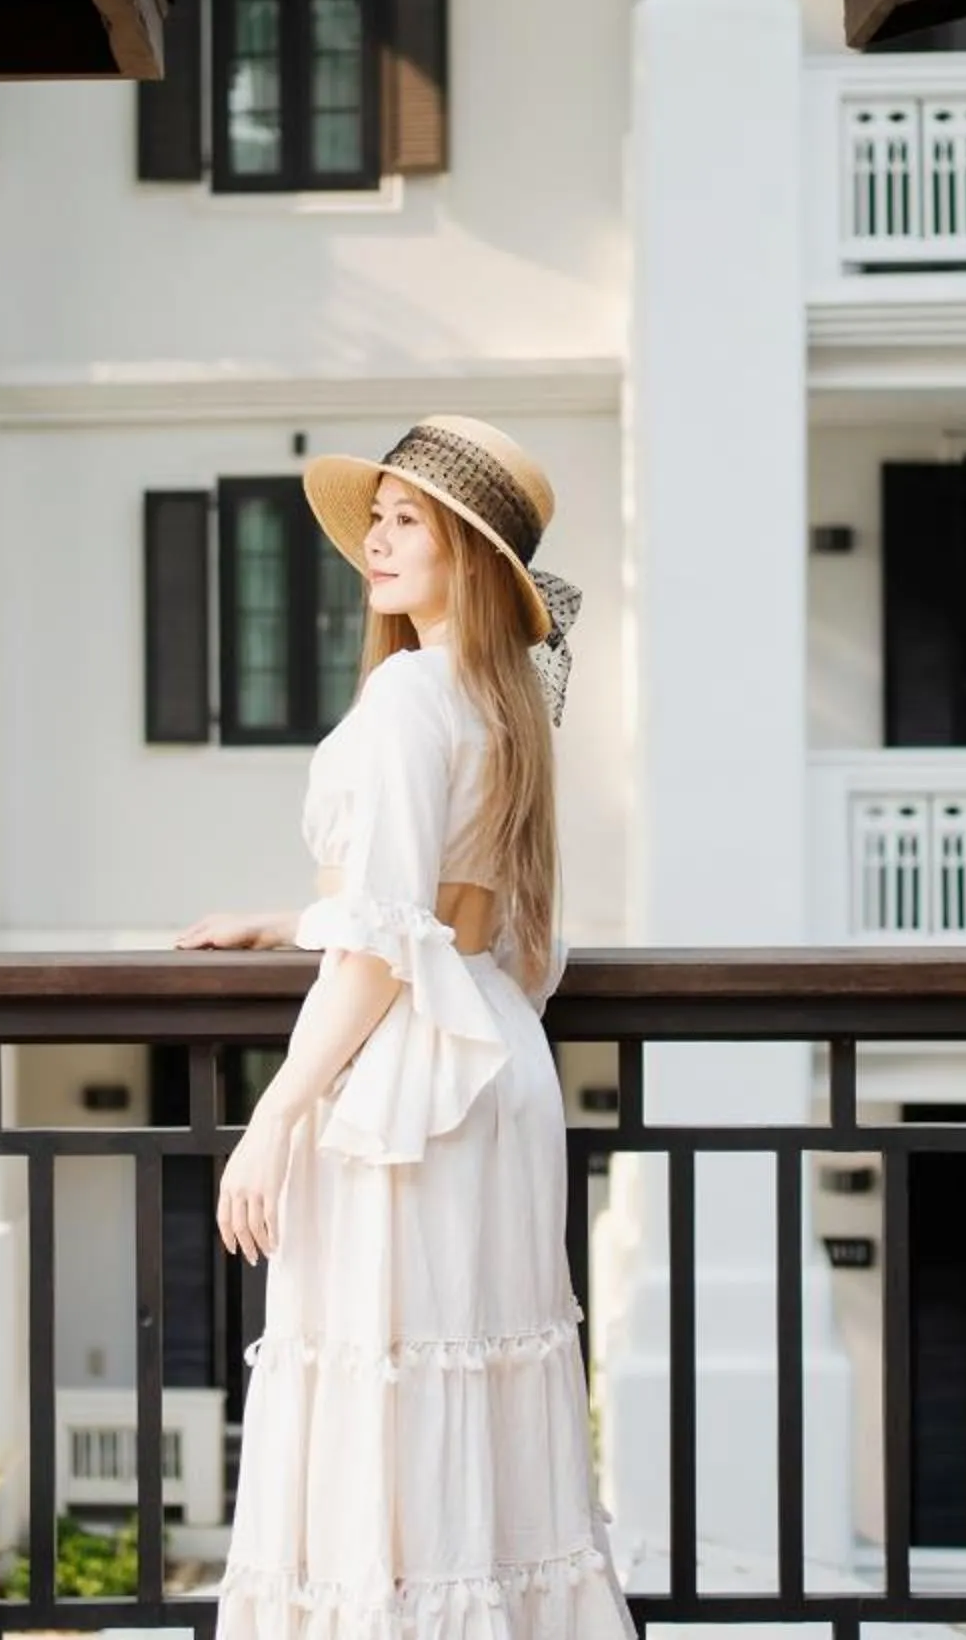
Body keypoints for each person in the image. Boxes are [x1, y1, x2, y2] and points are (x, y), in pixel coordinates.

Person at [180, 415, 634, 1640]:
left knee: (387, 1402)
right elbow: (459, 910)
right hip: (496, 1070)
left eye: (406, 522)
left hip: (411, 1093)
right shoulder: (502, 705)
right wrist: (292, 921)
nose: (374, 542)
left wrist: (274, 1112)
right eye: (374, 517)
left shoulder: (404, 698)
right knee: (477, 1403)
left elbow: (384, 945)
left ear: (470, 555)